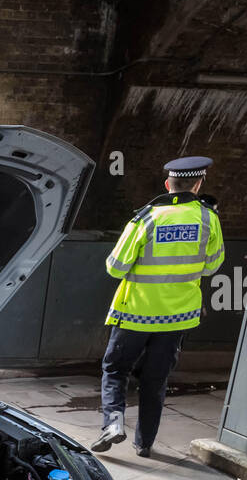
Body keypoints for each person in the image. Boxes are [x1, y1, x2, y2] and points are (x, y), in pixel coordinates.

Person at [92, 155, 224, 458]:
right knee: (155, 380)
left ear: (168, 184)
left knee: (115, 369)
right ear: (199, 184)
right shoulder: (208, 219)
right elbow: (212, 266)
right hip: (178, 318)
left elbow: (116, 267)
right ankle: (145, 443)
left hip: (135, 314)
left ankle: (113, 425)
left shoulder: (147, 218)